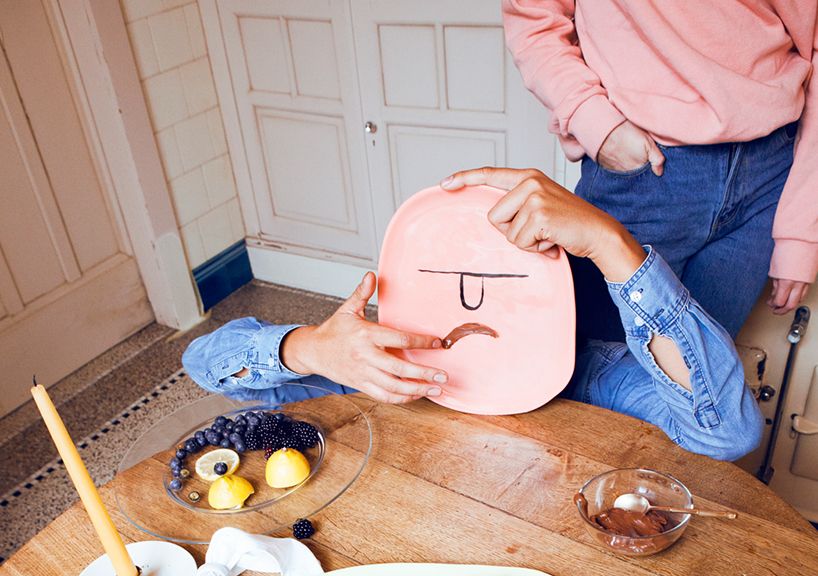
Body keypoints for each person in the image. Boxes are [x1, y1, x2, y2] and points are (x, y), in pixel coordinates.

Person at [182, 167, 763, 462]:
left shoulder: (594, 376)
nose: (472, 301)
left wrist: (612, 246)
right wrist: (310, 348)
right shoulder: (380, 366)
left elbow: (726, 433)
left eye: (501, 284)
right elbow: (206, 364)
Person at [502, 1, 817, 338]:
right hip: (644, 173)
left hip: (768, 175)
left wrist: (801, 233)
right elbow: (534, 18)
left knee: (702, 364)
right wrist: (593, 120)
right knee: (599, 357)